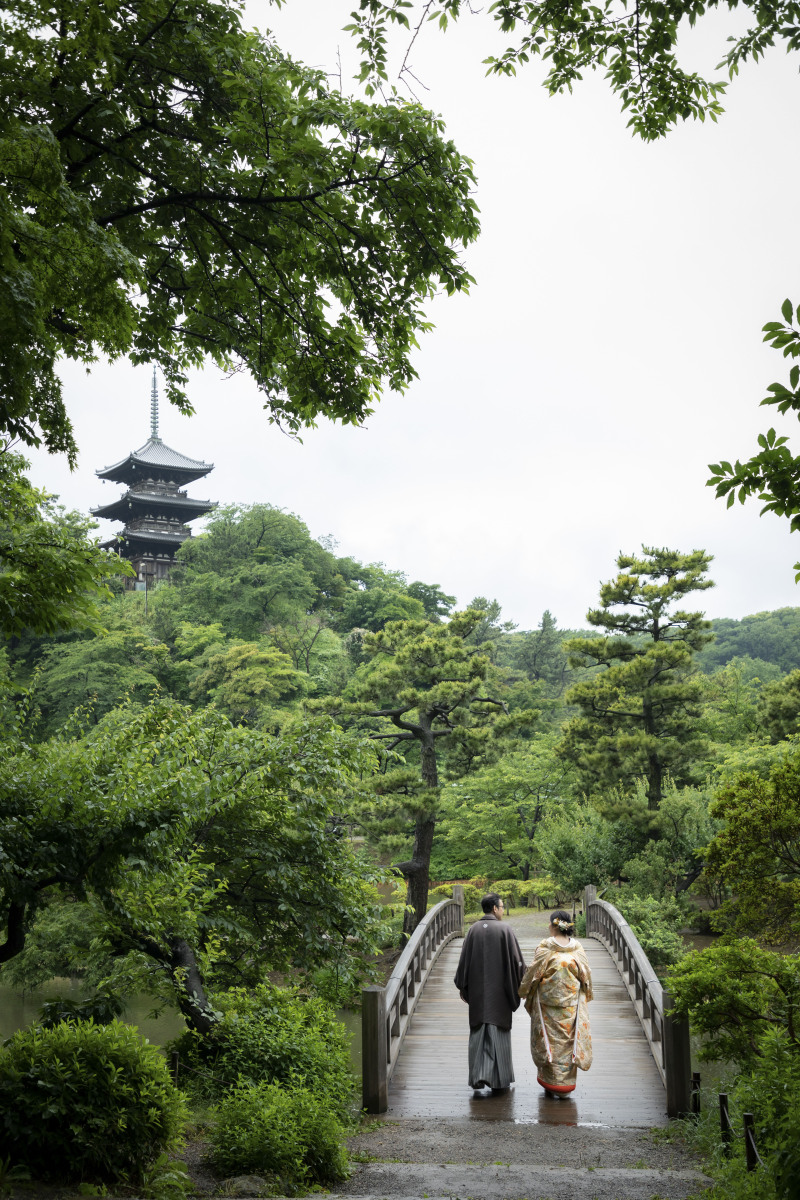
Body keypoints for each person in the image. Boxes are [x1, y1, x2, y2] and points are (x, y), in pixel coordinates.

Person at [453, 892, 526, 1093]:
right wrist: (523, 983)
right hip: (500, 993)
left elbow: (464, 961)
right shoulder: (505, 929)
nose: (502, 910)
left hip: (477, 991)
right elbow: (517, 962)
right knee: (498, 1033)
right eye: (502, 907)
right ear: (495, 908)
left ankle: (477, 1077)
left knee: (479, 1032)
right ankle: (499, 1080)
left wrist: (463, 985)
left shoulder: (473, 930)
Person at [518, 909, 593, 1097]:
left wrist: (523, 991)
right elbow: (586, 977)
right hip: (570, 1006)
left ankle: (550, 1083)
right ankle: (565, 1086)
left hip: (547, 1005)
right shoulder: (578, 950)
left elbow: (532, 973)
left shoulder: (545, 949)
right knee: (568, 1043)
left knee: (548, 1041)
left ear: (553, 925)